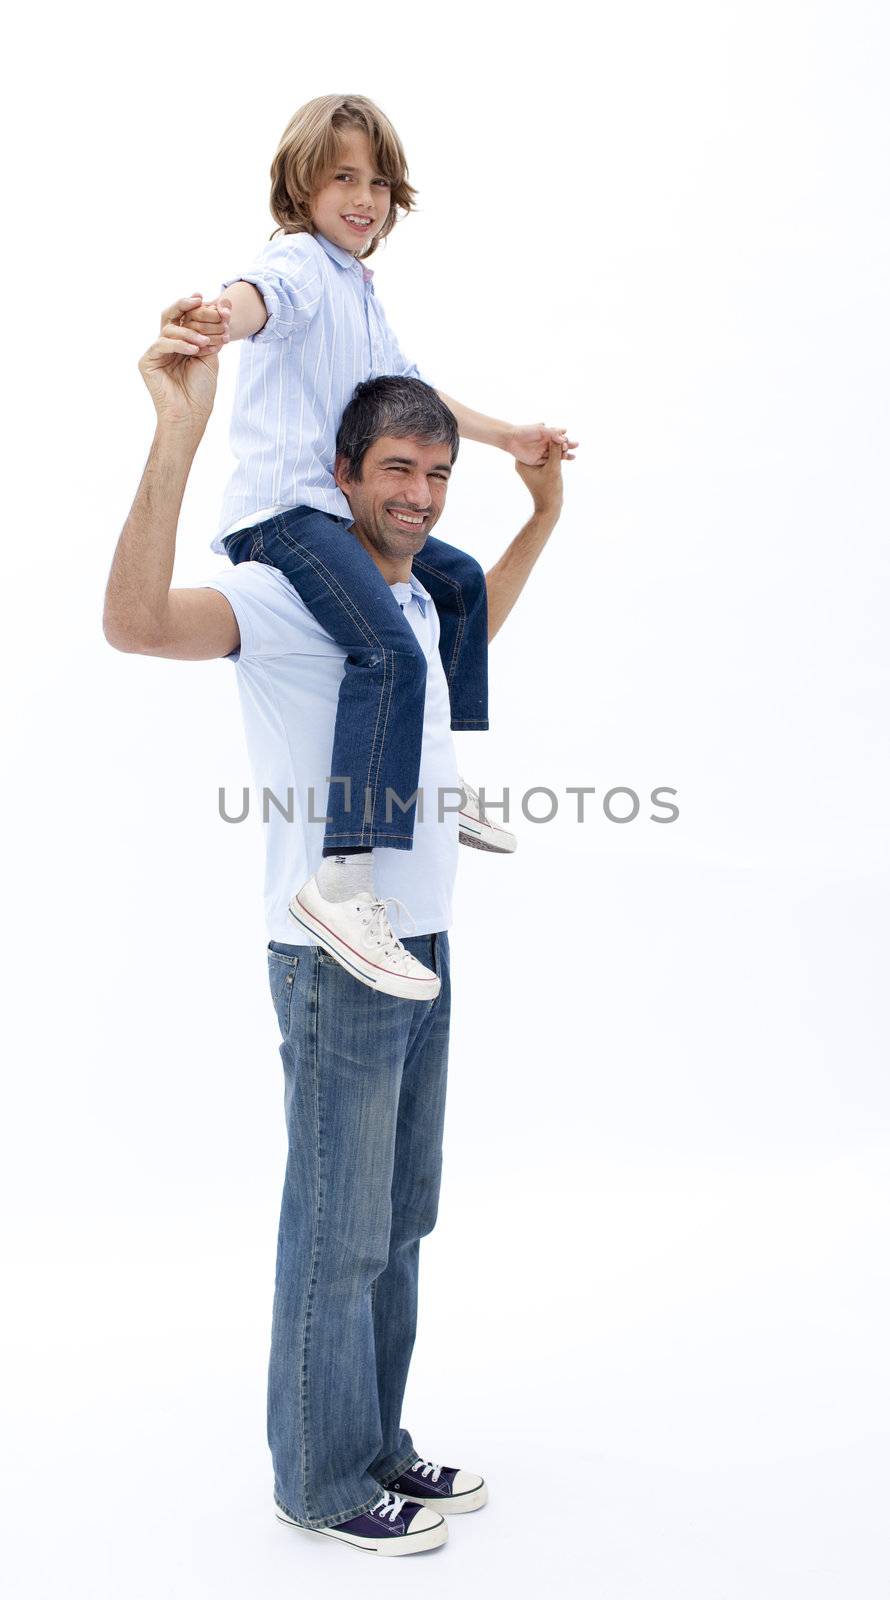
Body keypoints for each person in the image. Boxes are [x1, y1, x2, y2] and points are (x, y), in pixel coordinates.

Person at [103, 302, 564, 1556]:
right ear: (342, 476)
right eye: (394, 471)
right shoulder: (283, 591)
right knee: (339, 1223)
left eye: (433, 474)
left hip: (419, 944)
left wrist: (538, 517)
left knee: (401, 1217)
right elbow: (137, 626)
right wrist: (177, 436)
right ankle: (315, 1479)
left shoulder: (405, 607)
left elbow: (478, 630)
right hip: (330, 955)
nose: (416, 492)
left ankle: (371, 1442)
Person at [174, 92, 576, 994]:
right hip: (287, 515)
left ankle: (436, 773)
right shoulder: (300, 265)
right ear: (302, 187)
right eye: (343, 178)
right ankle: (343, 878)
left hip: (342, 514)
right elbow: (255, 301)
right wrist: (215, 318)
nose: (365, 197)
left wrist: (510, 436)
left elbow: (414, 391)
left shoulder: (360, 290)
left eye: (380, 182)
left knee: (459, 583)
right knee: (387, 648)